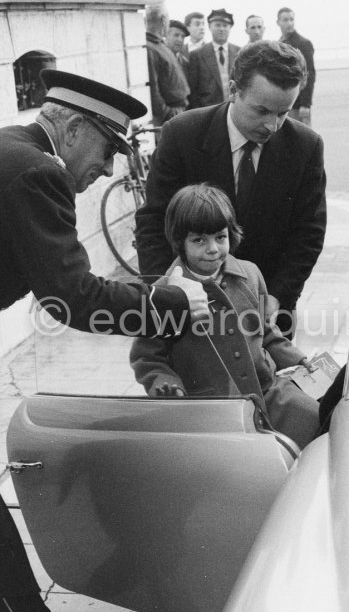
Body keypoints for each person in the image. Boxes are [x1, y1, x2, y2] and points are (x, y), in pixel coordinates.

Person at [0, 69, 208, 612]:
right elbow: (72, 298)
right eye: (104, 146)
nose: (104, 170)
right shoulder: (35, 171)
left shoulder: (10, 147)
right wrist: (170, 304)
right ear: (66, 123)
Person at [135, 40, 327, 338]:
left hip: (267, 313)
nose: (272, 126)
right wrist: (169, 290)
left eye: (283, 113)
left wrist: (279, 296)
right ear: (234, 90)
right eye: (261, 111)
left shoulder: (306, 146)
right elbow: (152, 221)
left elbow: (309, 232)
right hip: (189, 308)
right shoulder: (181, 134)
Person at [130, 184, 320, 449]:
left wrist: (297, 359)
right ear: (179, 243)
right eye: (199, 240)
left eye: (220, 237)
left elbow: (266, 332)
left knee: (319, 423)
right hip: (212, 409)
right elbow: (147, 357)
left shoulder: (251, 274)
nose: (213, 249)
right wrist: (168, 387)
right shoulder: (164, 294)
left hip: (268, 392)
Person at [145, 4, 190, 125]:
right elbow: (152, 89)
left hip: (178, 112)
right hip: (169, 117)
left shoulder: (160, 46)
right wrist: (168, 114)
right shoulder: (150, 48)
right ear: (164, 20)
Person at [187, 8, 240, 109]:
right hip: (208, 111)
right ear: (210, 27)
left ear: (230, 28)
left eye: (225, 25)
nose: (221, 29)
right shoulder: (197, 55)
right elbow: (193, 92)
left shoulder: (239, 52)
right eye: (218, 25)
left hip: (234, 110)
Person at [277, 7, 316, 127]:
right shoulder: (279, 43)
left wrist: (306, 104)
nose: (289, 23)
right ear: (278, 22)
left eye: (291, 19)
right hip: (283, 103)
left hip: (298, 104)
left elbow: (309, 74)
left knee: (303, 140)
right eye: (285, 20)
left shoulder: (303, 43)